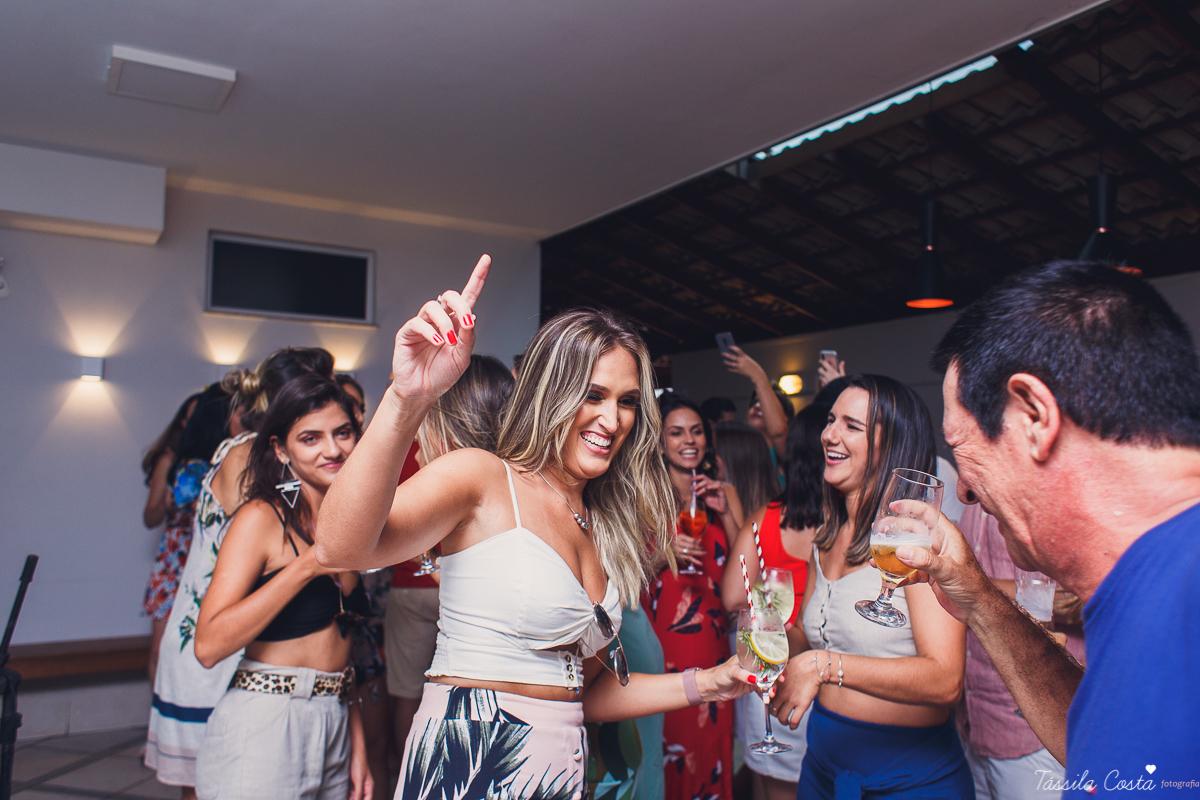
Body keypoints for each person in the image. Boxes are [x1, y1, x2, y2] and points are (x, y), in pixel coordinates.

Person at [314, 256, 755, 800]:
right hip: (474, 763)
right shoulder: (482, 477)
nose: (612, 419)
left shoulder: (601, 523)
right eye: (592, 395)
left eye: (626, 403)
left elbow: (586, 693)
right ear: (552, 391)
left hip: (558, 771)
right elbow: (337, 548)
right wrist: (408, 396)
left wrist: (711, 681)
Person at [894, 261, 1200, 793]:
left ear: (1034, 417)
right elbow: (1105, 749)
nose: (962, 489)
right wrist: (979, 600)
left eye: (962, 448)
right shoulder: (1143, 571)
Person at [770, 375, 972, 799]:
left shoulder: (919, 540)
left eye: (851, 425)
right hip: (823, 762)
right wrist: (766, 626)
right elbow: (814, 638)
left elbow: (946, 679)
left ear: (889, 445)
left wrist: (824, 666)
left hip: (907, 777)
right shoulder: (827, 533)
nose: (829, 434)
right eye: (830, 420)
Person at [146, 347, 336, 797]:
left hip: (251, 642)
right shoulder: (250, 455)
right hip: (214, 639)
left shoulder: (284, 458)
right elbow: (288, 535)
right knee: (209, 783)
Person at [193, 374, 371, 800]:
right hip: (266, 724)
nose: (332, 449)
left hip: (335, 720)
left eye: (342, 433)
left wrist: (357, 746)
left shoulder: (350, 522)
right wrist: (306, 566)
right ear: (280, 448)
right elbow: (208, 645)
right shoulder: (261, 517)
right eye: (310, 438)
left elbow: (344, 642)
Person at [384, 354, 515, 783]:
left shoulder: (466, 475)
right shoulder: (514, 487)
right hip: (494, 727)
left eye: (426, 431)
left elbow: (344, 545)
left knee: (406, 688)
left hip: (484, 729)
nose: (419, 448)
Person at [721, 404, 826, 800]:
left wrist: (766, 604)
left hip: (767, 661)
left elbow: (733, 595)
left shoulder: (765, 516)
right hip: (816, 674)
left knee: (767, 781)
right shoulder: (839, 526)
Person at [647, 391, 741, 800]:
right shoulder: (643, 502)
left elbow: (745, 575)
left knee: (709, 750)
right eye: (677, 432)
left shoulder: (722, 495)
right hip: (661, 648)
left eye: (697, 431)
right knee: (667, 749)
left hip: (714, 647)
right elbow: (621, 583)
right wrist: (663, 555)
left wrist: (729, 510)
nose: (689, 440)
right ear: (660, 440)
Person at [955, 504, 1065, 800]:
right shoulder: (974, 494)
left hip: (1035, 733)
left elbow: (1079, 596)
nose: (961, 486)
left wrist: (966, 585)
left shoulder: (1051, 489)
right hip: (975, 724)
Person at [141, 391, 201, 681]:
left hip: (206, 552)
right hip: (175, 555)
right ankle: (158, 721)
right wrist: (165, 506)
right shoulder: (170, 459)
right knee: (161, 649)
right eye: (190, 415)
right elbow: (148, 518)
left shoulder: (218, 458)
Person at [721, 346, 791, 457]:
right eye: (754, 403)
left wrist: (756, 374)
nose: (757, 407)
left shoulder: (785, 452)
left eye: (763, 404)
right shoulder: (735, 451)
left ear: (785, 418)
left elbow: (779, 432)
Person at [714, 421, 780, 522]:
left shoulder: (773, 517)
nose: (708, 458)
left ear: (737, 460)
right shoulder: (711, 508)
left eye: (714, 452)